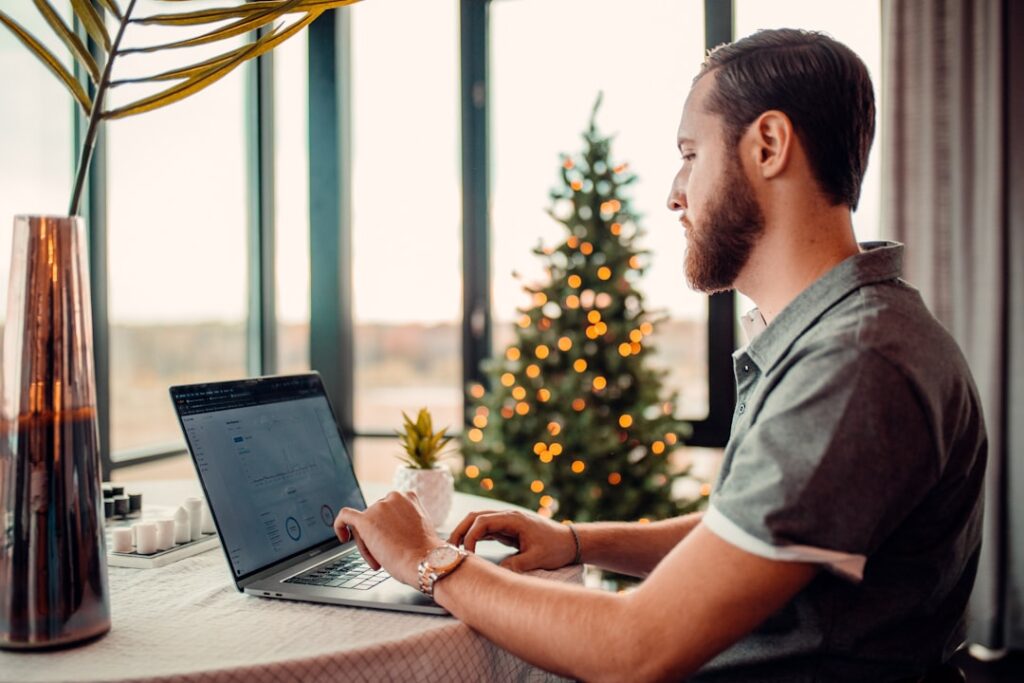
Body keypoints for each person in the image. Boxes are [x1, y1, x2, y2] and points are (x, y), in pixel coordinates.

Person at [335, 28, 987, 682]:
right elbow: (744, 539)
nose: (675, 194)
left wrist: (426, 558)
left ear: (768, 144)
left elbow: (635, 647)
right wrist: (577, 540)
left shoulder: (852, 365)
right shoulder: (845, 335)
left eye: (689, 153)